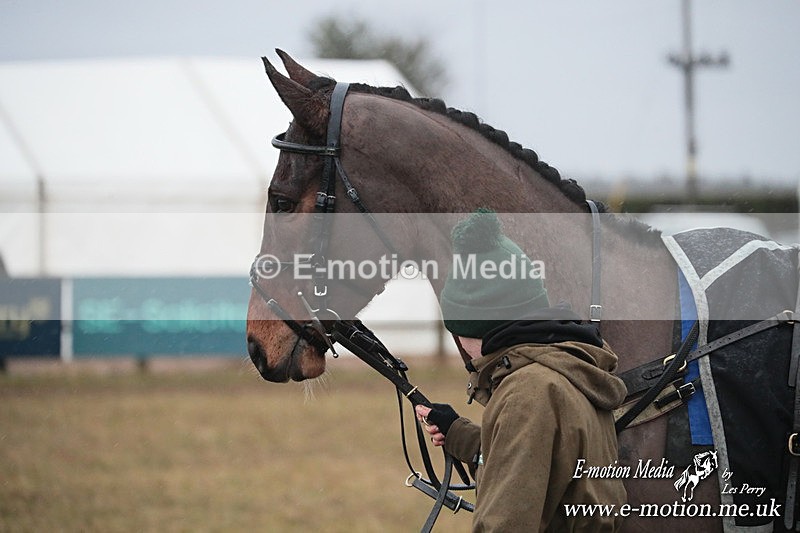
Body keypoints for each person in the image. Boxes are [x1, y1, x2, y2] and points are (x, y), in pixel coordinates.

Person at [415, 209, 627, 532]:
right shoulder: (566, 367)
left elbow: (504, 524)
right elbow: (538, 462)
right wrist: (457, 433)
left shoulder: (526, 394)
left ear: (472, 327)